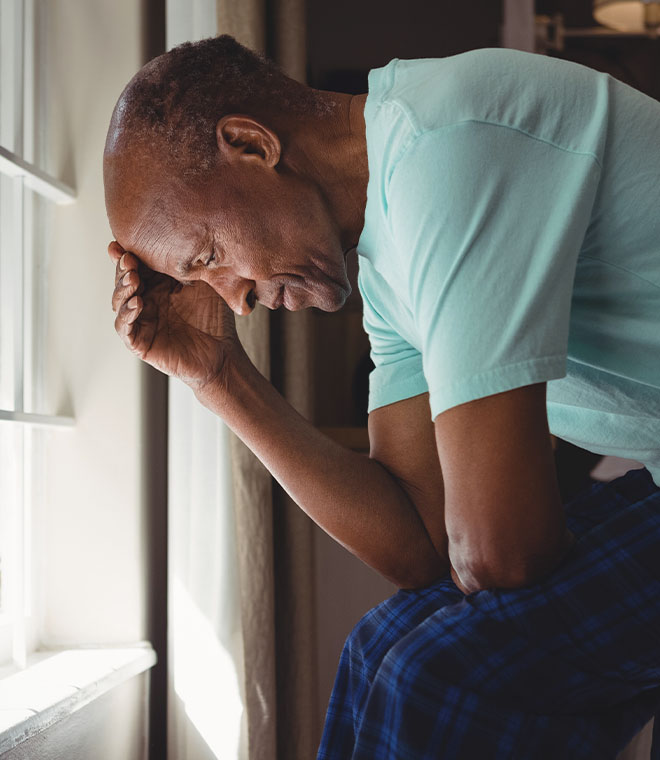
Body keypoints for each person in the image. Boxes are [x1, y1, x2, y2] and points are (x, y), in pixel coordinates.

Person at [104, 35, 660, 759]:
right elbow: (424, 542)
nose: (235, 300)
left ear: (250, 144)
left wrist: (488, 547)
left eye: (209, 256)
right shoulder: (386, 262)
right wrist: (218, 376)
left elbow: (501, 554)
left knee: (440, 676)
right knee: (380, 645)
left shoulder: (450, 142)